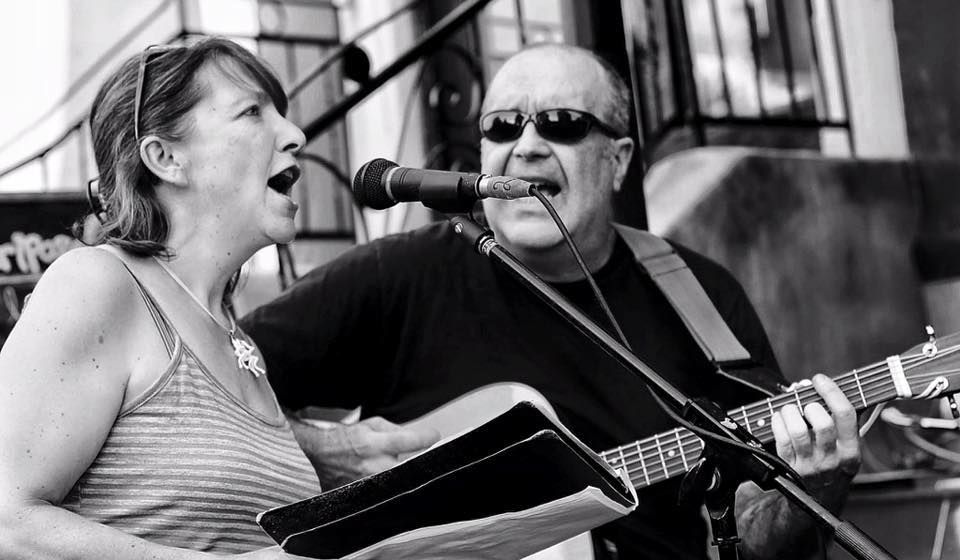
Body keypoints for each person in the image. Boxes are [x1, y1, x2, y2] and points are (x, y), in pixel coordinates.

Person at [240, 44, 861, 559]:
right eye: (502, 126)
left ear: (618, 162)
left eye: (562, 124)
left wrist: (816, 487)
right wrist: (323, 450)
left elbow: (759, 540)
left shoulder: (700, 294)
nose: (528, 145)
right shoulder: (395, 275)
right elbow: (207, 381)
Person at [0, 38, 321, 559]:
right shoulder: (96, 282)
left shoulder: (234, 335)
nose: (295, 134)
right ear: (166, 158)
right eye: (252, 112)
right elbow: (6, 522)